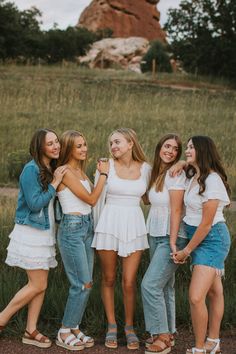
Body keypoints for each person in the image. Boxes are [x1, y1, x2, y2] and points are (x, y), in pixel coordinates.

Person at [0, 128, 67, 348]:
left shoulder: (50, 167)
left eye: (56, 141)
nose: (56, 145)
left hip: (45, 231)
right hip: (31, 232)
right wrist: (55, 184)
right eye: (50, 143)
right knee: (37, 283)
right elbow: (35, 203)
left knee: (40, 284)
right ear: (40, 147)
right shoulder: (31, 169)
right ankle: (2, 318)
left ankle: (30, 330)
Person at [92, 128, 151, 350]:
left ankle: (129, 326)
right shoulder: (105, 166)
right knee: (108, 278)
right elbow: (96, 200)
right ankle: (111, 325)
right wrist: (95, 231)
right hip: (108, 224)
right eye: (111, 143)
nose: (113, 146)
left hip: (134, 226)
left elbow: (150, 198)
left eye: (117, 142)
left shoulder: (146, 169)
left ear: (130, 143)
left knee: (129, 281)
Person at [172, 136, 231, 354]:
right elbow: (187, 164)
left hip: (212, 240)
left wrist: (186, 251)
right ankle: (213, 342)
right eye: (186, 147)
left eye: (191, 147)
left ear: (203, 151)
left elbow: (206, 224)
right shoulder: (194, 175)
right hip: (198, 239)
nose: (186, 150)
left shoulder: (212, 180)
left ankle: (199, 348)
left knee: (196, 296)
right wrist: (182, 163)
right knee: (215, 292)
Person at [55, 130, 109, 351]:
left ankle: (75, 326)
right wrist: (103, 175)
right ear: (68, 148)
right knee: (81, 283)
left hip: (86, 227)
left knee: (87, 284)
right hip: (72, 229)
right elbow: (91, 199)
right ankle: (64, 330)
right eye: (78, 146)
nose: (84, 149)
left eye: (84, 144)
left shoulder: (81, 172)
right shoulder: (65, 171)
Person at [141, 134, 188, 354]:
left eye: (175, 149)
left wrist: (172, 240)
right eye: (167, 146)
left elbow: (177, 209)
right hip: (155, 233)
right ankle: (169, 334)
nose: (170, 151)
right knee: (165, 286)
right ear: (160, 147)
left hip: (172, 236)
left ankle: (160, 335)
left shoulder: (176, 174)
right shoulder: (157, 173)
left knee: (150, 285)